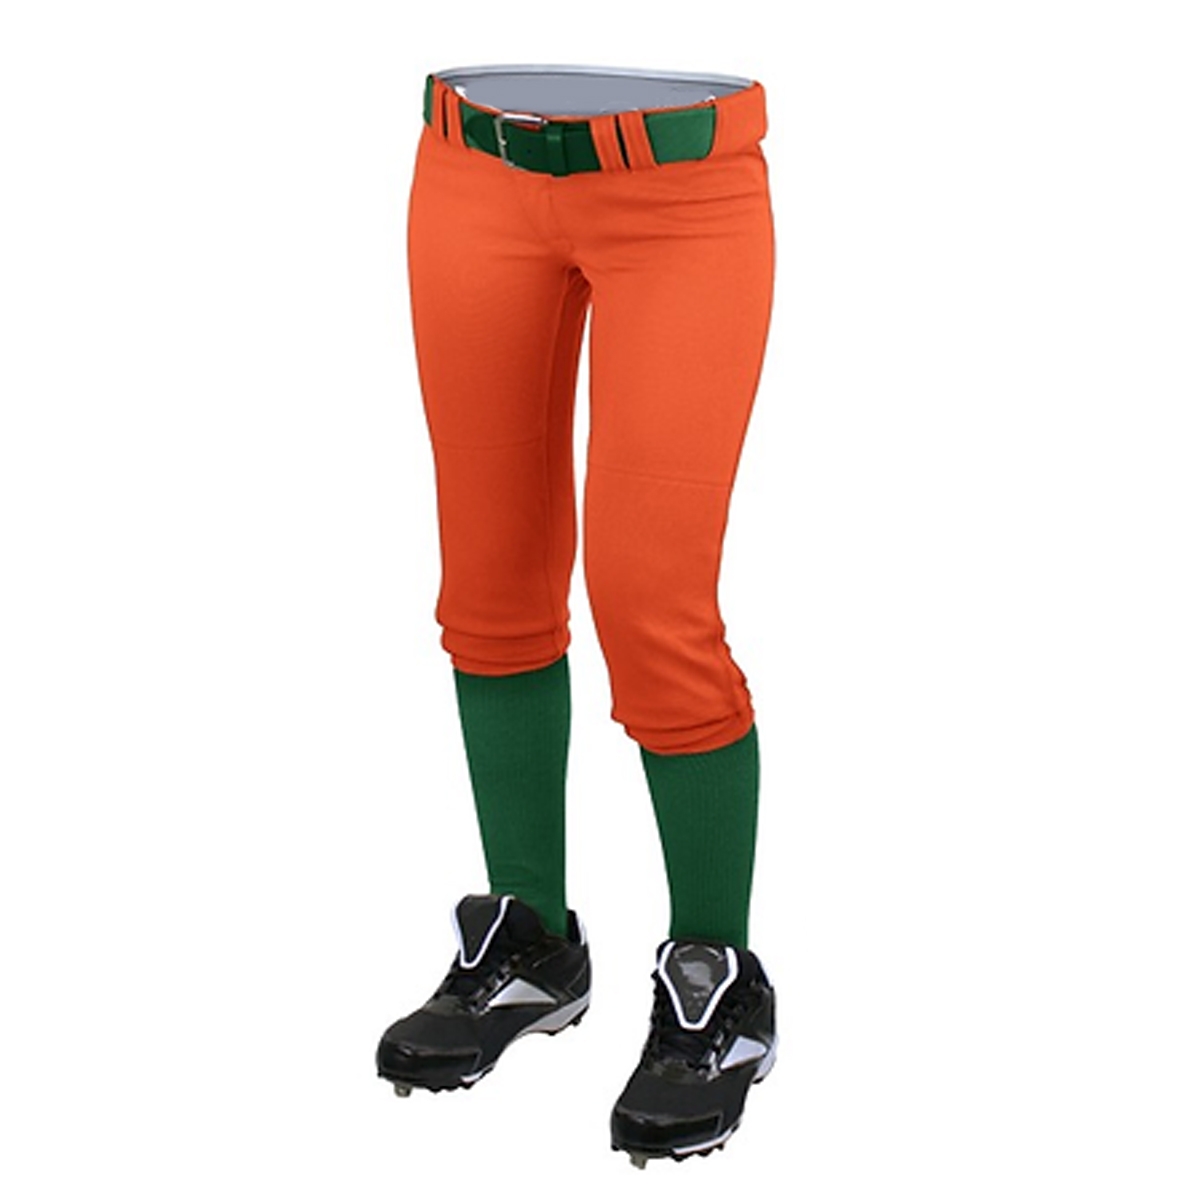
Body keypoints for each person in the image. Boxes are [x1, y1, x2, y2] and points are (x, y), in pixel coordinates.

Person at [375, 63, 778, 1167]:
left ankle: (715, 983)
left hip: (684, 181)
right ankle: (530, 942)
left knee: (652, 602)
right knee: (489, 583)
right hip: (472, 163)